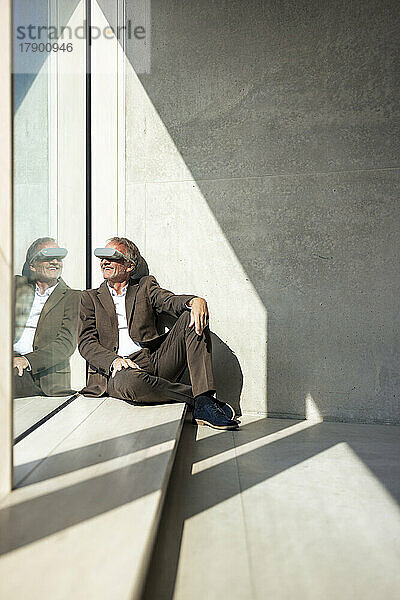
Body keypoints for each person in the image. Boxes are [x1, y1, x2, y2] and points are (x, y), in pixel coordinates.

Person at [78, 236, 238, 430]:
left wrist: (194, 301)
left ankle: (203, 399)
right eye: (102, 257)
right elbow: (86, 342)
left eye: (112, 257)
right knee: (130, 382)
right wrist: (113, 360)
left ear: (129, 266)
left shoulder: (144, 287)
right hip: (117, 371)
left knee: (191, 317)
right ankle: (200, 399)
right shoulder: (89, 298)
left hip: (153, 360)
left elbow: (168, 301)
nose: (104, 261)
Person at [13, 237, 80, 398]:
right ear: (32, 266)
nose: (55, 262)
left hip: (44, 379)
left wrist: (26, 360)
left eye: (59, 258)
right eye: (48, 257)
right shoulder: (15, 286)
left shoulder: (73, 297)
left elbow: (65, 345)